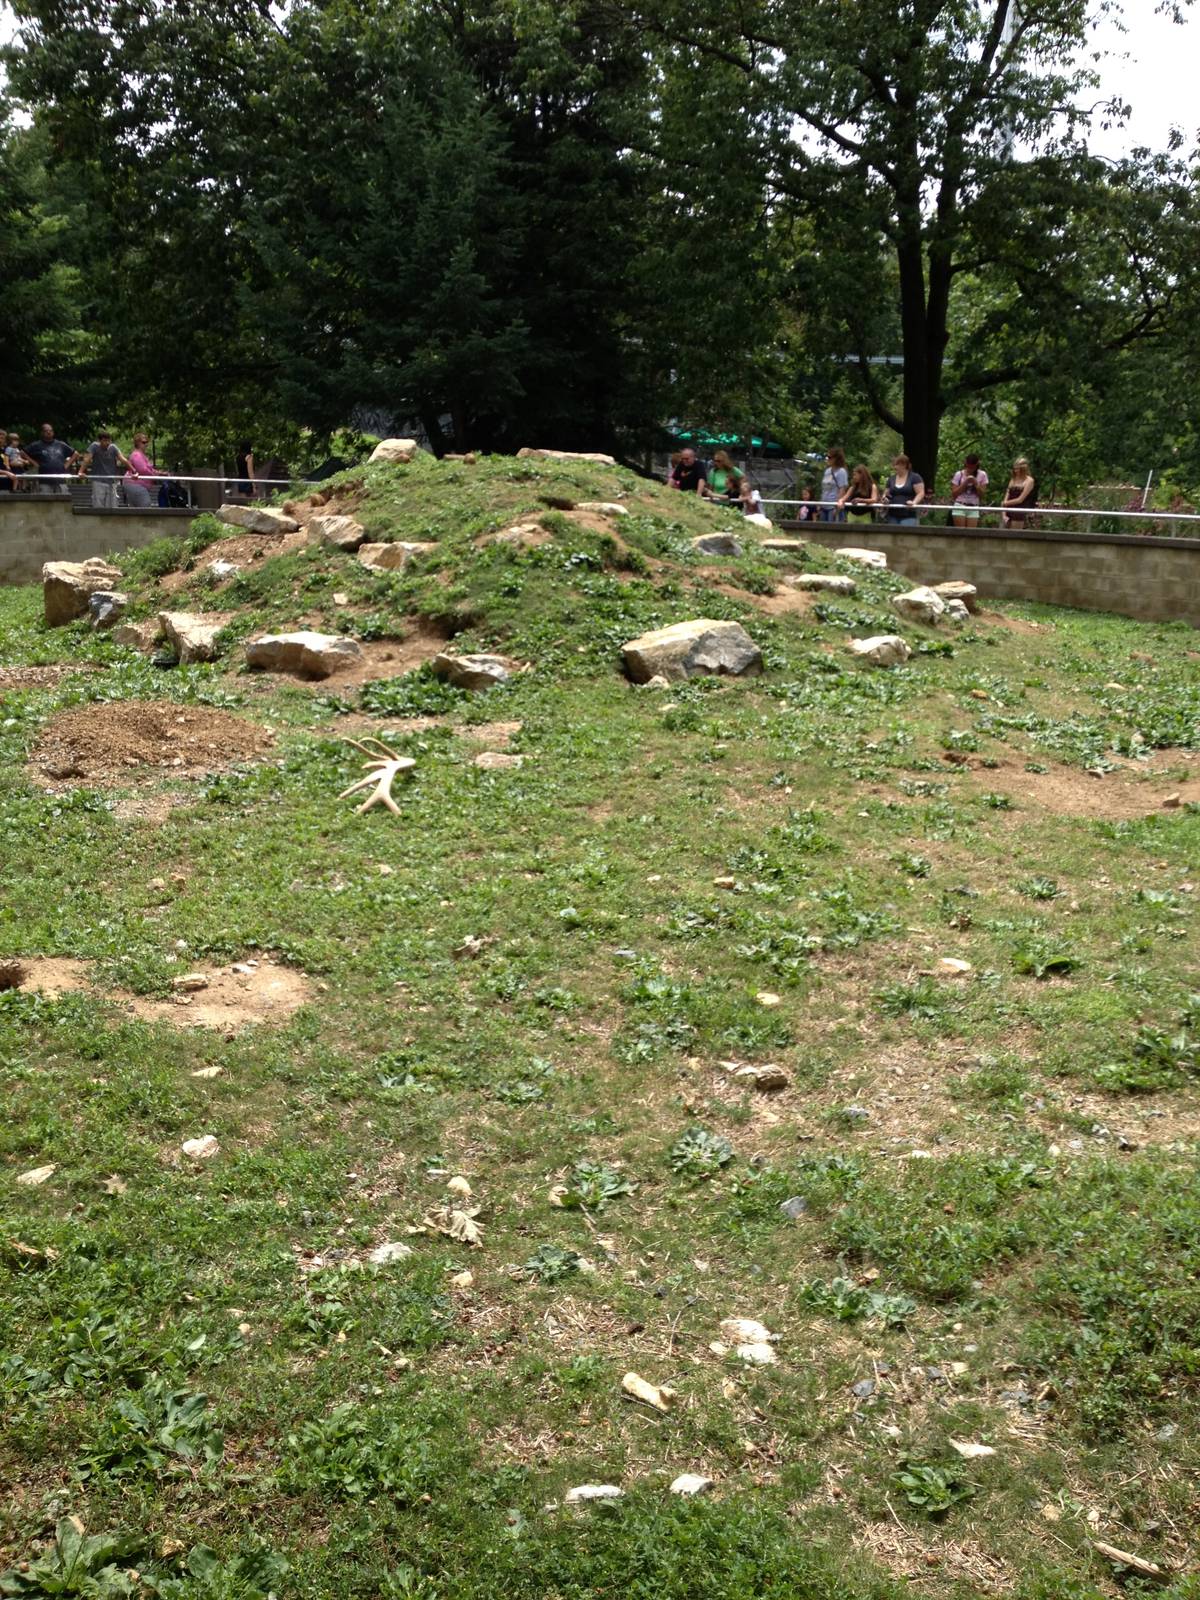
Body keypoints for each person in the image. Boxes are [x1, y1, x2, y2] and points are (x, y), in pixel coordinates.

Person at [79, 430, 130, 509]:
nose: (107, 443)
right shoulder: (94, 446)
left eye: (109, 440)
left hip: (111, 482)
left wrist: (134, 471)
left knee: (113, 506)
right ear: (99, 441)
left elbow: (123, 460)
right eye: (105, 441)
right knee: (98, 506)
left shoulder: (113, 448)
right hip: (98, 481)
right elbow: (87, 459)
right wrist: (80, 471)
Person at [25, 423, 79, 494]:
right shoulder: (36, 445)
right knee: (45, 502)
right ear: (42, 432)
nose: (49, 432)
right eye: (46, 430)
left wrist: (66, 465)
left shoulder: (61, 444)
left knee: (62, 500)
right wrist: (34, 463)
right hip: (45, 480)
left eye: (50, 430)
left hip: (60, 480)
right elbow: (22, 453)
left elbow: (76, 454)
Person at [124, 433, 164, 507]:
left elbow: (150, 469)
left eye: (147, 442)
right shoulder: (136, 455)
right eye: (143, 442)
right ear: (137, 443)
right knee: (146, 507)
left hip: (138, 485)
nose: (146, 444)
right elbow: (143, 470)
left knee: (136, 509)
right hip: (135, 485)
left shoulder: (142, 455)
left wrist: (160, 473)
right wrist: (156, 475)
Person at [883, 454, 925, 524]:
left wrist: (914, 502)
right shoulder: (891, 479)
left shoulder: (915, 477)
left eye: (896, 465)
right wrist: (884, 499)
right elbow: (886, 493)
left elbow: (921, 493)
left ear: (904, 465)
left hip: (909, 515)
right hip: (892, 515)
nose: (894, 467)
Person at [950, 453, 989, 526]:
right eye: (969, 467)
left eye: (973, 467)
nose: (970, 469)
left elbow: (982, 495)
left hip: (973, 506)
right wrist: (965, 482)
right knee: (960, 533)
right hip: (960, 505)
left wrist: (976, 483)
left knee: (971, 533)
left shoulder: (982, 475)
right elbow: (954, 494)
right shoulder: (959, 474)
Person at [1002, 458, 1038, 525]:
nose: (1016, 471)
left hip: (1019, 511)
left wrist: (1005, 503)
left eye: (1018, 469)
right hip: (1007, 510)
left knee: (1015, 533)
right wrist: (1004, 513)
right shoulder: (1013, 479)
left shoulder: (1029, 481)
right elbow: (1007, 495)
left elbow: (1020, 500)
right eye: (1015, 469)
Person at [819, 447, 849, 521]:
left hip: (833, 507)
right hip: (824, 506)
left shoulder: (841, 472)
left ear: (836, 458)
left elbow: (842, 490)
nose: (827, 459)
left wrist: (837, 508)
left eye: (829, 457)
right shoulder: (827, 471)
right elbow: (824, 489)